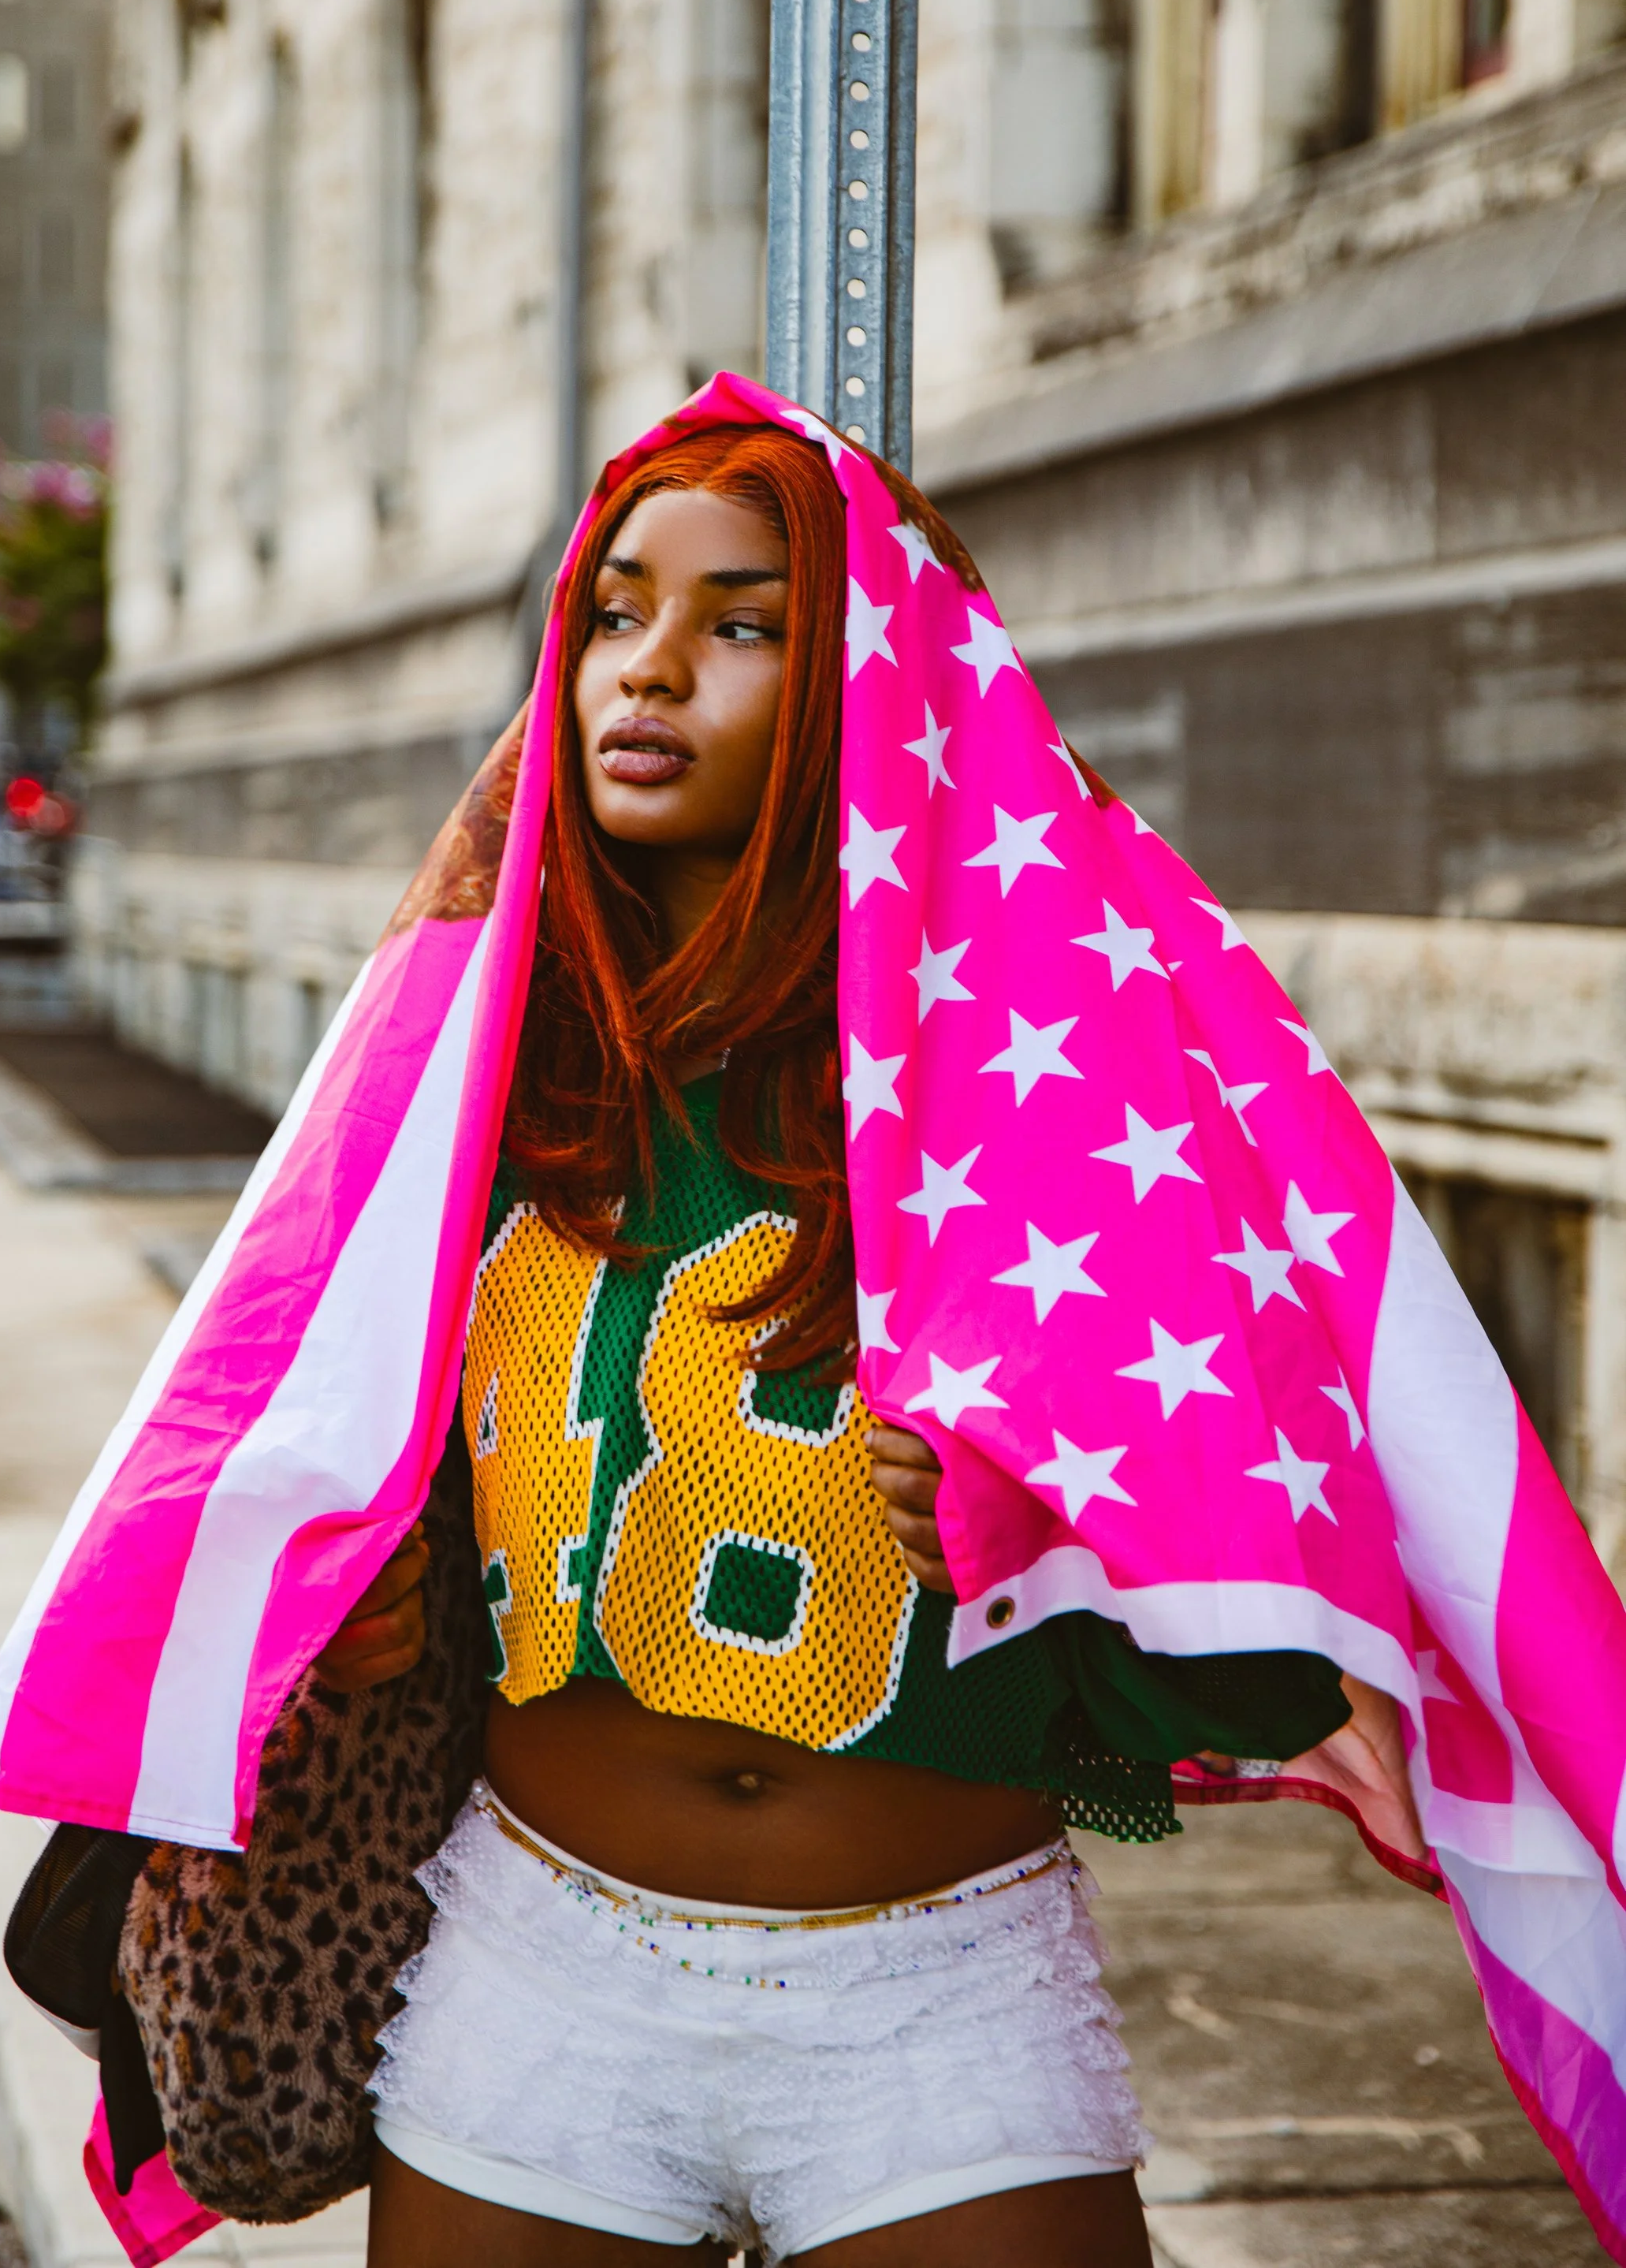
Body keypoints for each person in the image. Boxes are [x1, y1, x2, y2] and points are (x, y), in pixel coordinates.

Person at [311, 423, 1369, 2266]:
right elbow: (305, 1504)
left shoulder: (1045, 1108)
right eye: (614, 614)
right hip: (530, 1974)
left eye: (742, 625)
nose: (649, 670)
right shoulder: (474, 1075)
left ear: (885, 692)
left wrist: (1042, 1546)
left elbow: (1277, 1661)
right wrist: (366, 1594)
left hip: (936, 1998)